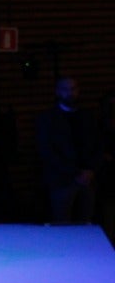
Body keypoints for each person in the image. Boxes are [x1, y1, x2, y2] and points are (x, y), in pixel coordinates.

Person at [35, 76, 101, 223]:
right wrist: (75, 173)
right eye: (65, 89)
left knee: (85, 222)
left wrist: (91, 169)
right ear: (58, 92)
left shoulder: (88, 116)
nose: (70, 93)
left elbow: (97, 144)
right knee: (62, 224)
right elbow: (47, 151)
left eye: (73, 89)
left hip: (88, 179)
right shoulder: (47, 119)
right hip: (62, 181)